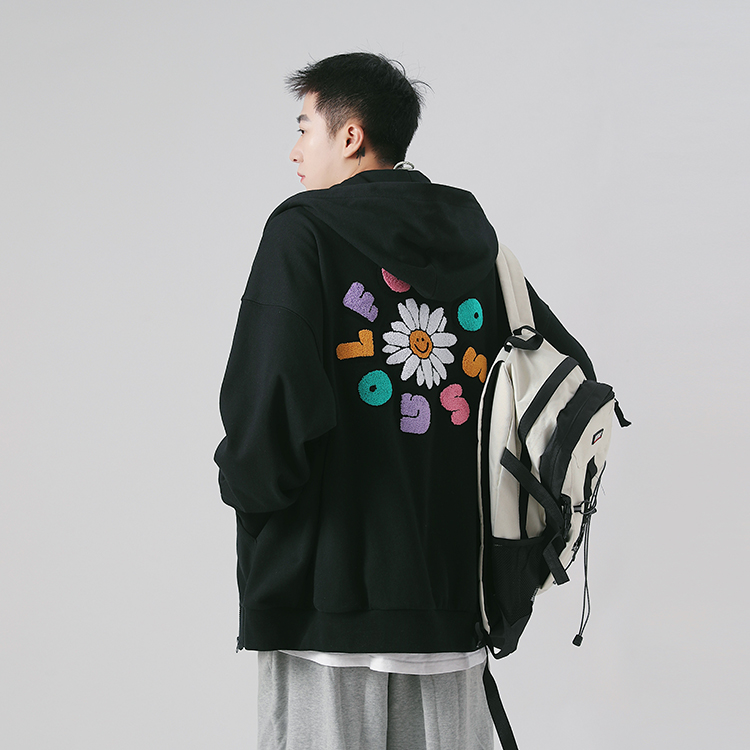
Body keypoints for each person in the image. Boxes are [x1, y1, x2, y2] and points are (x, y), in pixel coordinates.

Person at [214, 52, 595, 750]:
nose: (295, 150)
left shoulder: (303, 231)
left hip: (325, 595)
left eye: (304, 128)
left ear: (350, 135)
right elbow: (566, 382)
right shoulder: (478, 247)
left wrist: (251, 500)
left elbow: (268, 411)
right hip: (451, 605)